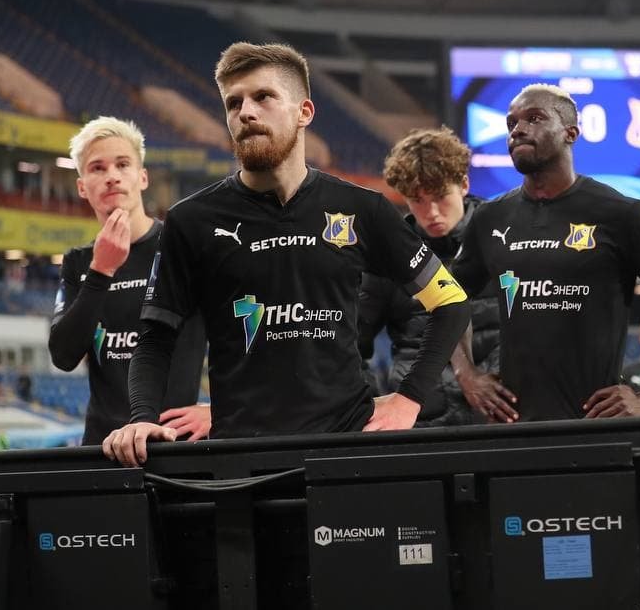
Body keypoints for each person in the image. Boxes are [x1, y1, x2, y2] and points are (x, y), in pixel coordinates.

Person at [102, 43, 470, 466]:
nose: (246, 112)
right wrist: (142, 418)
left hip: (344, 454)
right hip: (242, 458)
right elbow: (155, 338)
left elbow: (451, 303)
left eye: (263, 97)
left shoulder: (362, 209)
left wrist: (409, 398)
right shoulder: (191, 220)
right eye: (233, 103)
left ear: (304, 112)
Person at [449, 84, 640, 422]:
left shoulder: (622, 213)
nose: (518, 130)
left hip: (596, 426)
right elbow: (448, 301)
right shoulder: (490, 218)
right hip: (513, 426)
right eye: (511, 123)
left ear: (570, 133)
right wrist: (466, 375)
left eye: (534, 118)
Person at [48, 117, 208, 446]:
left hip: (174, 444)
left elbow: (240, 333)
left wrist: (217, 408)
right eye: (97, 168)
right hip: (103, 448)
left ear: (142, 177)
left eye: (122, 164)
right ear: (82, 187)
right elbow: (63, 357)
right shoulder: (78, 261)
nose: (112, 176)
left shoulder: (184, 248)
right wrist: (101, 271)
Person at [359, 127, 504, 425]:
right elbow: (350, 342)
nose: (432, 212)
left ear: (463, 184)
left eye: (440, 196)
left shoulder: (504, 234)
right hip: (424, 425)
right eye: (418, 200)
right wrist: (369, 404)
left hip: (504, 415)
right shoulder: (389, 254)